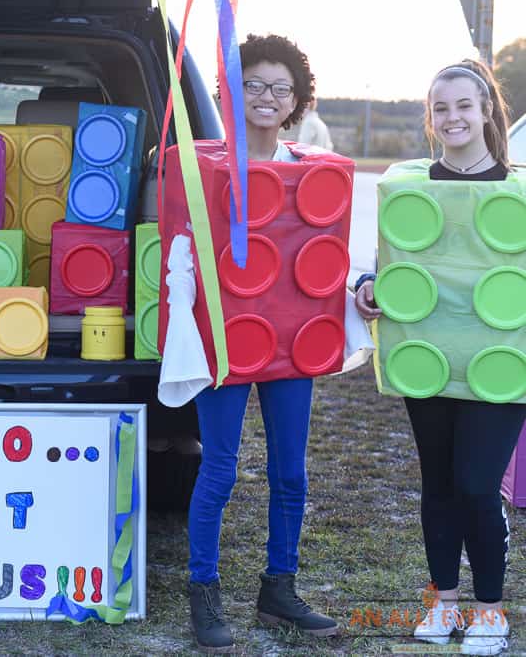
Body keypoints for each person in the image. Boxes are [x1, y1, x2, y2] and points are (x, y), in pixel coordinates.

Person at [355, 59, 521, 657]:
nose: (452, 117)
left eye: (463, 106)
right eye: (440, 108)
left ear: (485, 113)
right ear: (431, 118)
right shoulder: (411, 188)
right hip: (427, 358)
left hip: (499, 361)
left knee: (479, 485)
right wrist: (368, 286)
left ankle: (491, 611)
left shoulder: (519, 192)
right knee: (440, 485)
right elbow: (387, 260)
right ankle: (444, 603)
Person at [183, 34, 339, 653]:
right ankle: (204, 589)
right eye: (253, 84)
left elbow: (328, 253)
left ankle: (279, 589)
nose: (267, 97)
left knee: (291, 474)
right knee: (219, 468)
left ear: (297, 99)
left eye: (281, 87)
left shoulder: (312, 171)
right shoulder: (204, 167)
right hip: (227, 340)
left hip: (292, 342)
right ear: (229, 89)